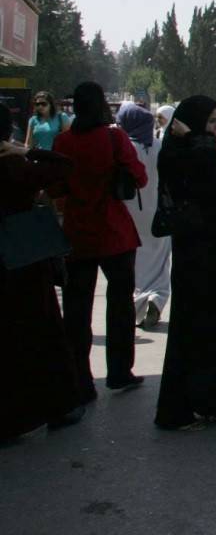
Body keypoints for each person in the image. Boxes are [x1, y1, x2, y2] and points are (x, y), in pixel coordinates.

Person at [53, 82, 148, 399]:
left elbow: (55, 187)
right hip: (114, 231)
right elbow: (140, 176)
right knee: (120, 305)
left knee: (77, 309)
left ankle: (80, 378)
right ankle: (119, 371)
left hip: (78, 232)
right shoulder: (114, 137)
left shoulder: (63, 142)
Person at [154, 96, 216, 431]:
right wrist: (195, 140)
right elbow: (212, 182)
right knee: (194, 328)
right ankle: (180, 408)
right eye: (211, 122)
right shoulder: (182, 153)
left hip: (209, 252)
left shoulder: (194, 149)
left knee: (211, 329)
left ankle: (210, 402)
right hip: (196, 253)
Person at [0, 110, 84, 437]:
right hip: (22, 261)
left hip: (17, 262)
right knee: (41, 335)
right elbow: (64, 167)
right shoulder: (14, 166)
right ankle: (56, 407)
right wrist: (25, 150)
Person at [118, 103, 170, 330]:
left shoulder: (125, 148)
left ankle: (138, 303)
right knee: (159, 260)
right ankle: (156, 299)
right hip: (157, 212)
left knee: (136, 261)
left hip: (129, 212)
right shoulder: (159, 146)